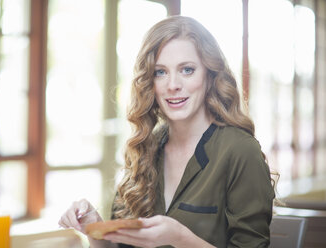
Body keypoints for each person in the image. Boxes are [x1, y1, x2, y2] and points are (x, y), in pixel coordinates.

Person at [58, 15, 275, 248]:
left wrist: (180, 238)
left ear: (209, 76)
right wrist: (95, 227)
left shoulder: (240, 151)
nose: (172, 85)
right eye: (160, 72)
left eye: (187, 70)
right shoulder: (144, 148)